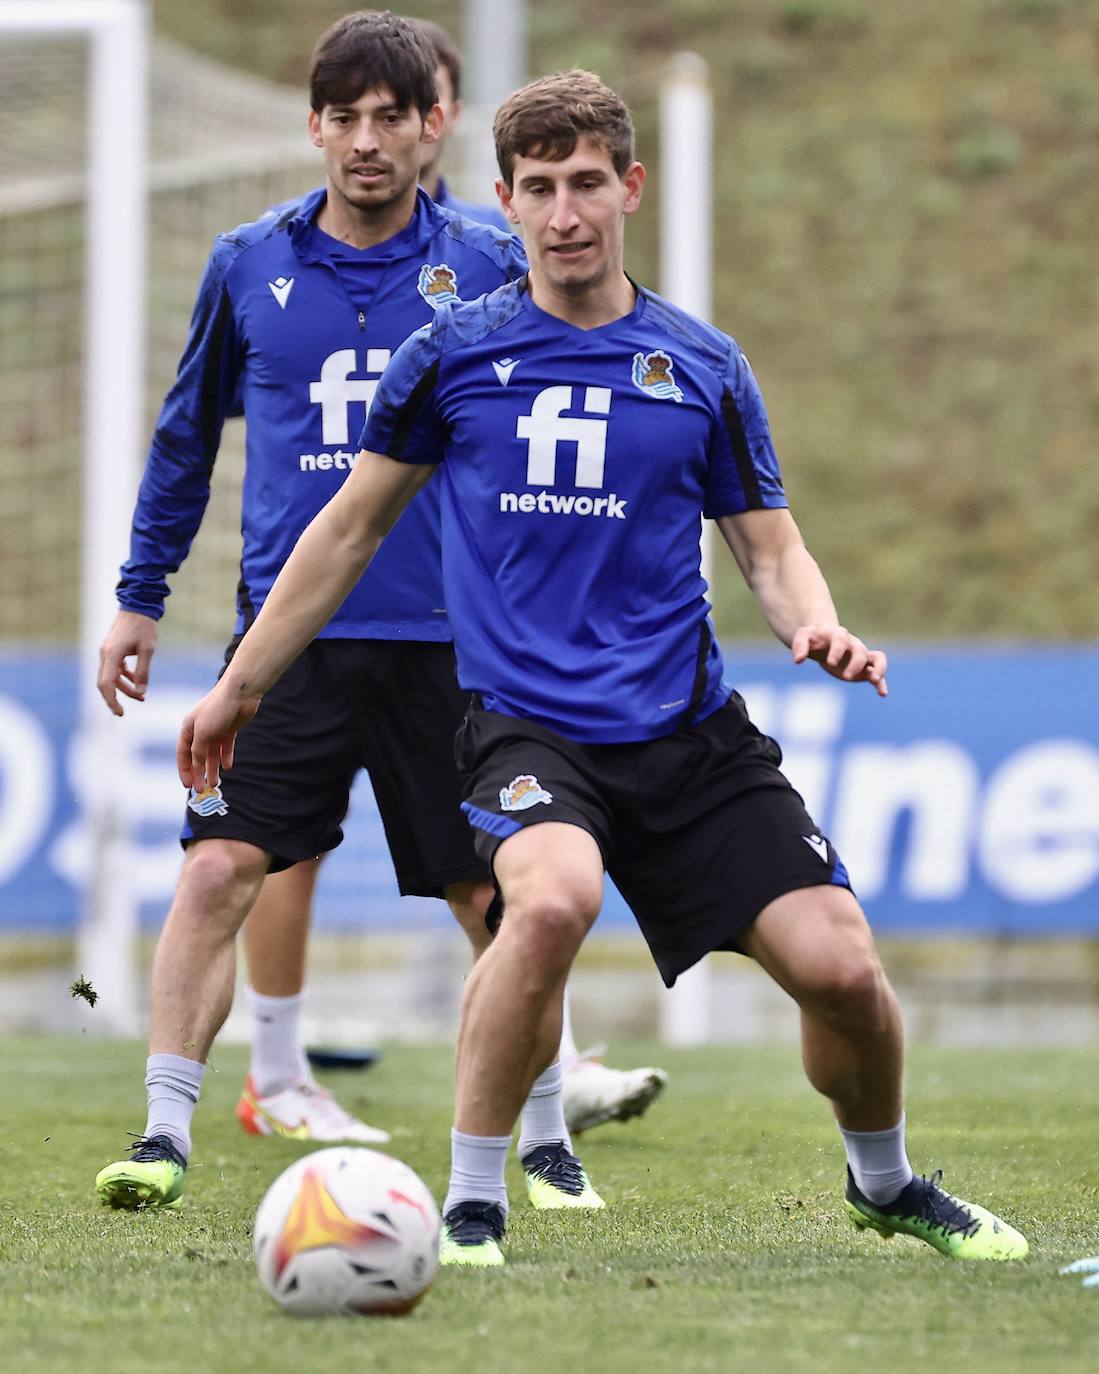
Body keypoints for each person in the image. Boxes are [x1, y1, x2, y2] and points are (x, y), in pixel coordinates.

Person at [173, 68, 1030, 1270]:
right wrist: (241, 683)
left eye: (586, 184)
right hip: (524, 729)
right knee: (553, 901)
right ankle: (472, 1206)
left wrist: (811, 625)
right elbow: (345, 533)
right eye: (538, 189)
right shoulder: (450, 354)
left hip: (687, 734)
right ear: (504, 201)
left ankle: (883, 1183)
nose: (565, 211)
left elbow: (768, 545)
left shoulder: (702, 364)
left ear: (629, 187)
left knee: (842, 970)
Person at [93, 12, 610, 1215]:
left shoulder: (491, 260)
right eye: (344, 117)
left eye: (391, 116)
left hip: (456, 647)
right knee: (219, 867)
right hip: (287, 648)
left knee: (497, 901)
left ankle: (543, 1140)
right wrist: (137, 596)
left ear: (432, 126)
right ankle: (165, 1130)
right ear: (313, 124)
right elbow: (184, 444)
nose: (366, 141)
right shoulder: (245, 264)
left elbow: (564, 423)